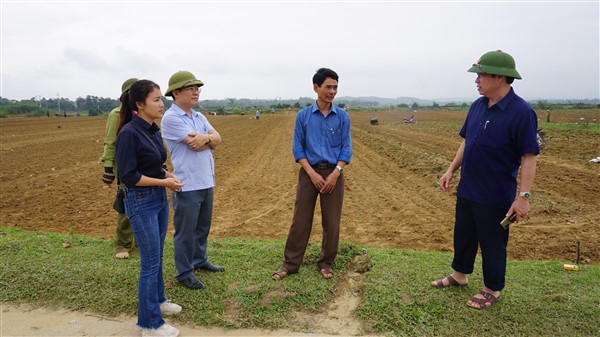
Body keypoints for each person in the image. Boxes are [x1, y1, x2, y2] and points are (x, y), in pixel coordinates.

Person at [432, 50, 539, 310]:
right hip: (468, 186)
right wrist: (451, 171)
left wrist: (523, 197)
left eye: (481, 74)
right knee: (464, 234)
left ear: (500, 77)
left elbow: (529, 156)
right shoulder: (478, 106)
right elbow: (467, 142)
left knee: (492, 242)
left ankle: (492, 289)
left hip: (495, 192)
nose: (476, 80)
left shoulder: (521, 112)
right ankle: (460, 275)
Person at [116, 79, 184, 337]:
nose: (162, 103)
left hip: (157, 198)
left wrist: (168, 174)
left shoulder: (152, 129)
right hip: (140, 201)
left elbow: (153, 164)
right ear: (139, 104)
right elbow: (130, 176)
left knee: (157, 256)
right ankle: (149, 325)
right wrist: (165, 182)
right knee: (150, 263)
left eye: (160, 99)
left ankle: (159, 301)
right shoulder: (129, 133)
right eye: (156, 99)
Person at [272, 68, 352, 280]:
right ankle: (290, 264)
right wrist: (312, 174)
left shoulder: (342, 116)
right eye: (328, 87)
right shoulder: (304, 116)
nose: (332, 91)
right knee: (301, 219)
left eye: (335, 87)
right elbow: (298, 149)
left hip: (334, 173)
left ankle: (326, 262)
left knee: (332, 222)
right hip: (309, 173)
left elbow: (346, 149)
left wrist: (335, 173)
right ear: (316, 88)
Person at [161, 71, 223, 290]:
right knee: (186, 231)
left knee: (202, 227)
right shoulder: (171, 118)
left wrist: (207, 138)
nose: (196, 92)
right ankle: (184, 271)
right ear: (176, 93)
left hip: (206, 180)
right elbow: (193, 143)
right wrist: (209, 139)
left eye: (197, 88)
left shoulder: (197, 116)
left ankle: (199, 259)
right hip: (186, 184)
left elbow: (217, 139)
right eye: (190, 88)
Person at [100, 77, 138, 259]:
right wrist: (108, 168)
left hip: (143, 165)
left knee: (146, 204)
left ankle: (141, 242)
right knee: (126, 203)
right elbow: (110, 142)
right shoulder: (117, 114)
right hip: (125, 166)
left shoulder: (145, 112)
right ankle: (122, 244)